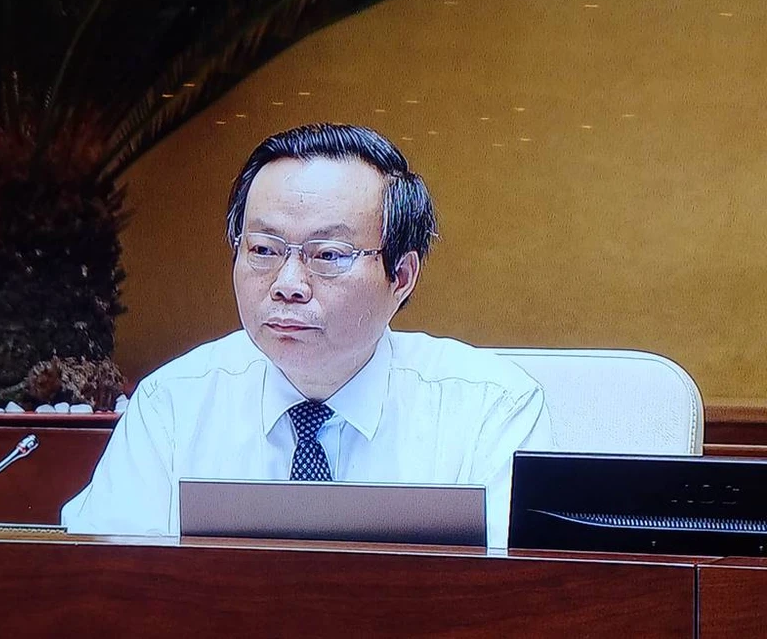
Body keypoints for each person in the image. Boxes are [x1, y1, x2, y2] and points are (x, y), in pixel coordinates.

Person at [62, 123, 553, 547]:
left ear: (401, 276)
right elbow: (102, 582)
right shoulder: (173, 404)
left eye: (329, 255)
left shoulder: (489, 410)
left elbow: (516, 597)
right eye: (263, 249)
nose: (288, 284)